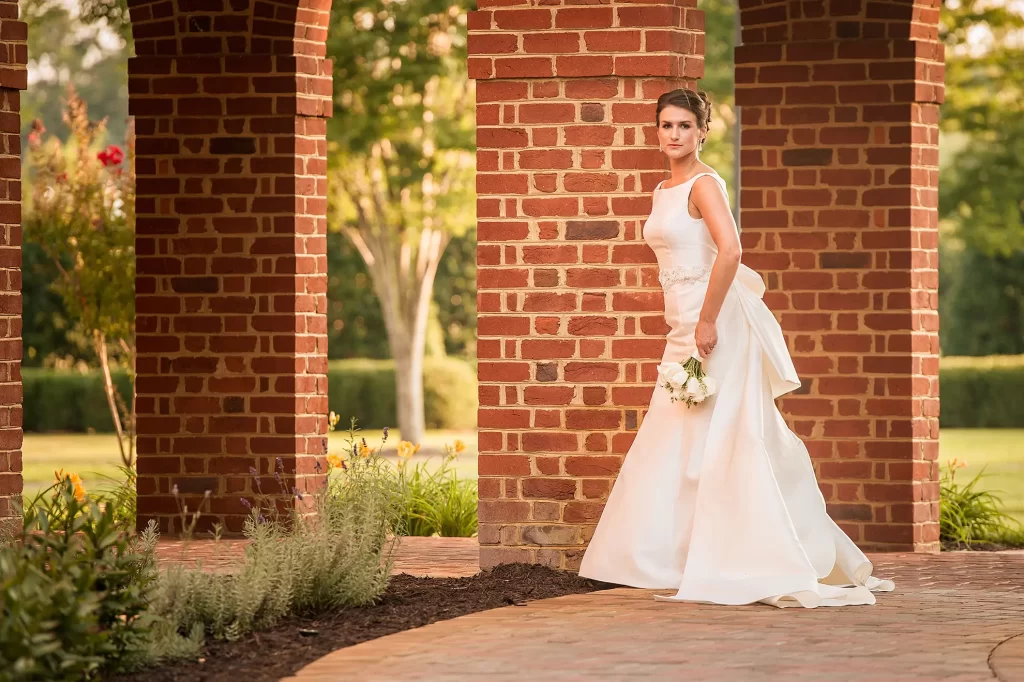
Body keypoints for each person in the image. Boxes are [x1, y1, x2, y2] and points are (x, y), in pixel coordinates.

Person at [577, 88, 895, 608]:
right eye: (665, 125)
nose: (674, 134)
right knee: (678, 432)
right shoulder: (663, 188)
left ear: (702, 131)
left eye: (684, 126)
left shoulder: (704, 184)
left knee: (727, 434)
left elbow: (731, 250)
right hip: (679, 320)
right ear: (656, 131)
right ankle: (673, 557)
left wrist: (706, 320)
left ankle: (744, 556)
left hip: (715, 321)